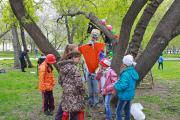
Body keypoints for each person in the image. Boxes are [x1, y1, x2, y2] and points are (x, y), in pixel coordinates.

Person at [78, 29, 105, 107]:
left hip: (96, 72)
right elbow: (80, 50)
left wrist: (97, 46)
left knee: (96, 89)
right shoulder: (87, 46)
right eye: (93, 35)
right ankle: (90, 101)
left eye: (96, 36)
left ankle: (95, 102)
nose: (94, 37)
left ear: (98, 37)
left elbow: (102, 55)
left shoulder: (100, 46)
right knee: (90, 89)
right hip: (89, 71)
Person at [57, 47, 85, 120]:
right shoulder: (74, 68)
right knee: (75, 113)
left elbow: (59, 80)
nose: (79, 60)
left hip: (66, 93)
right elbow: (79, 83)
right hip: (75, 94)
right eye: (78, 58)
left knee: (68, 110)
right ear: (73, 58)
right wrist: (83, 91)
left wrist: (66, 87)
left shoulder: (62, 67)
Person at [114, 54, 139, 120]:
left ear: (125, 64)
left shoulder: (125, 74)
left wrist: (116, 85)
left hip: (124, 96)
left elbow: (123, 85)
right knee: (127, 111)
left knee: (118, 111)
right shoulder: (133, 72)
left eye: (123, 63)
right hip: (130, 95)